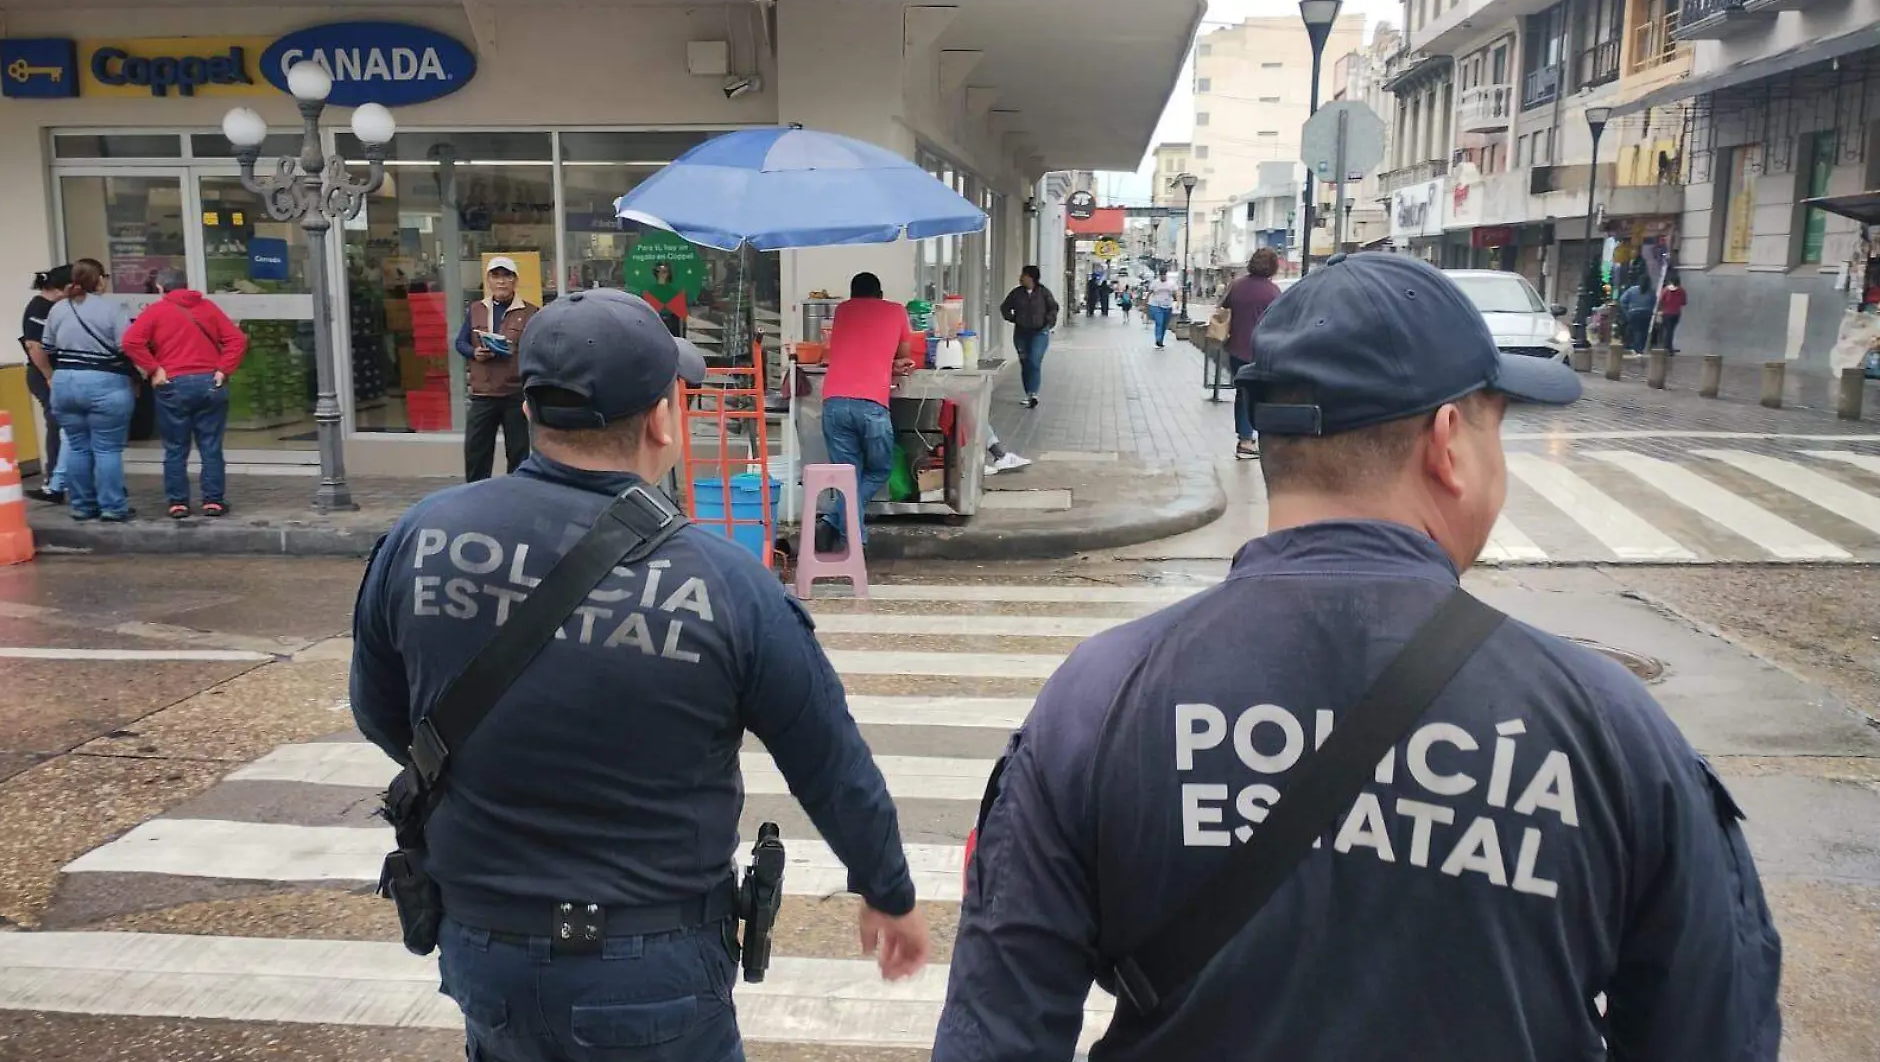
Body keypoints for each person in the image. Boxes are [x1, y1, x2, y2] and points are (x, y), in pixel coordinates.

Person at [934, 253, 1780, 1062]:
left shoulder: (1101, 701)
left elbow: (996, 1030)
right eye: (1497, 429)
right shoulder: (1611, 730)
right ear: (1449, 443)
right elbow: (1713, 1031)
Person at [350, 288, 930, 1062]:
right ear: (663, 419)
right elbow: (830, 764)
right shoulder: (729, 583)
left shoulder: (422, 535)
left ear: (529, 411)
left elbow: (384, 715)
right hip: (650, 970)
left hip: (485, 951)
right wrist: (887, 891)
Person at [121, 273, 249, 518]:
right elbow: (237, 340)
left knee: (175, 448)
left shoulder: (156, 311)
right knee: (211, 446)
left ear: (160, 287)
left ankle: (178, 503)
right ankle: (213, 501)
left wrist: (154, 369)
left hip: (172, 384)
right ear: (187, 285)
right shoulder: (208, 307)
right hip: (210, 382)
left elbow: (131, 341)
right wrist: (223, 369)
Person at [816, 272, 913, 551]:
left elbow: (850, 350)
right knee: (880, 468)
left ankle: (840, 526)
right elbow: (902, 355)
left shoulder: (842, 310)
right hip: (872, 404)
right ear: (880, 293)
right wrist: (895, 364)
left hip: (834, 402)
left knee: (848, 477)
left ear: (852, 294)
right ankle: (849, 536)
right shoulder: (896, 310)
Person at [42, 259, 137, 523]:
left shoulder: (59, 308)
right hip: (105, 382)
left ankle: (82, 506)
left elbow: (47, 345)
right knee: (107, 449)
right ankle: (112, 507)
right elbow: (125, 345)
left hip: (64, 382)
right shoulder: (112, 308)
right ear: (99, 280)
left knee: (77, 446)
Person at [454, 256, 540, 483]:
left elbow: (539, 348)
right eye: (495, 276)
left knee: (518, 453)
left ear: (515, 281)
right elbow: (461, 342)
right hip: (483, 394)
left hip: (515, 394)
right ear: (488, 281)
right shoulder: (476, 309)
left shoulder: (531, 312)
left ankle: (517, 495)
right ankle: (476, 495)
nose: (501, 281)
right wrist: (474, 353)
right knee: (476, 452)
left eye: (506, 276)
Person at [1216, 248, 1283, 461]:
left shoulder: (1237, 286)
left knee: (1242, 394)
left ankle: (1245, 439)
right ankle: (1257, 438)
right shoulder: (1273, 292)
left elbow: (1222, 307)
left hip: (1236, 348)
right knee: (1262, 395)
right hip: (1263, 351)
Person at [19, 265, 73, 504]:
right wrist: (49, 375)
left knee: (65, 425)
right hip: (44, 374)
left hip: (59, 373)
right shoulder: (39, 308)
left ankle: (61, 481)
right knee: (57, 422)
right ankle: (54, 482)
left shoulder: (58, 307)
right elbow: (35, 347)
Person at [999, 265, 1059, 408]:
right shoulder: (1017, 293)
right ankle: (1028, 394)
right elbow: (1005, 307)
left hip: (1040, 332)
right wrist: (1014, 318)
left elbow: (1054, 308)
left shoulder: (1043, 293)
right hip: (1021, 333)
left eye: (1023, 275)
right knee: (1025, 363)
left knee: (1034, 361)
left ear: (1031, 277)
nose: (1021, 277)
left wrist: (1048, 322)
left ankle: (1033, 393)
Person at [1618, 278, 1655, 355]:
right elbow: (1654, 302)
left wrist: (1626, 310)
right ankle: (1641, 348)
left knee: (1637, 331)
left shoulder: (1632, 290)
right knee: (1644, 331)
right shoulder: (1651, 291)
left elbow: (1622, 300)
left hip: (1634, 313)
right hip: (1646, 313)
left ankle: (1637, 349)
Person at [1147, 273, 1178, 348]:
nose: (1162, 277)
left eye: (1164, 275)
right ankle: (1158, 340)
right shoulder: (1155, 283)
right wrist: (1146, 303)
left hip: (1168, 306)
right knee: (1159, 323)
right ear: (1159, 275)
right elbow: (1149, 293)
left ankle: (1161, 341)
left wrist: (1177, 301)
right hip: (1157, 305)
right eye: (1161, 275)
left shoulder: (1171, 283)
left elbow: (1175, 293)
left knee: (1164, 325)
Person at [1658, 275, 1687, 354]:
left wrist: (1661, 309)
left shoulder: (1666, 290)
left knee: (1667, 331)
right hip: (1676, 314)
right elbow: (1684, 302)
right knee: (1671, 331)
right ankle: (1669, 347)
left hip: (1666, 313)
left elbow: (1660, 300)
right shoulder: (1682, 291)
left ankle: (1667, 347)